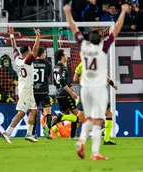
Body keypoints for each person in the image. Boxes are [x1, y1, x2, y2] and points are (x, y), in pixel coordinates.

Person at [64, 3, 127, 160]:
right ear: (100, 40)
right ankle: (94, 152)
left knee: (91, 118)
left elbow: (74, 28)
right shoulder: (103, 48)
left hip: (84, 89)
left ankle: (82, 141)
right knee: (98, 120)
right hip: (98, 88)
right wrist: (124, 12)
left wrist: (67, 13)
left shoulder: (83, 46)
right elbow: (116, 30)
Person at [1, 27, 40, 144]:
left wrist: (12, 36)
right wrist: (37, 37)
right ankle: (7, 132)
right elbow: (35, 51)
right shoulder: (27, 61)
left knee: (34, 110)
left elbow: (14, 47)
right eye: (29, 51)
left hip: (27, 89)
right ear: (27, 53)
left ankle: (29, 134)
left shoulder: (17, 59)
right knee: (22, 112)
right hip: (25, 90)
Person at [74, 62, 118, 145]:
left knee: (80, 117)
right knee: (108, 113)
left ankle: (72, 135)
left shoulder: (82, 64)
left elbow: (75, 79)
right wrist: (112, 84)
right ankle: (106, 139)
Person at [51, 49, 79, 140]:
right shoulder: (63, 68)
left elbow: (57, 82)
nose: (67, 56)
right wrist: (71, 93)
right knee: (75, 114)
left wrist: (70, 89)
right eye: (65, 55)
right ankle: (72, 136)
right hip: (65, 94)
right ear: (62, 57)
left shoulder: (55, 67)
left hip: (58, 94)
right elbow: (63, 82)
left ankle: (55, 124)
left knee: (67, 114)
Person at [32, 48, 52, 139]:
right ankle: (48, 132)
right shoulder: (48, 64)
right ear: (43, 54)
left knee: (33, 112)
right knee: (48, 112)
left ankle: (32, 133)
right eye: (45, 53)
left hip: (33, 91)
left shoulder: (31, 63)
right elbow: (47, 75)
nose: (45, 54)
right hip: (44, 91)